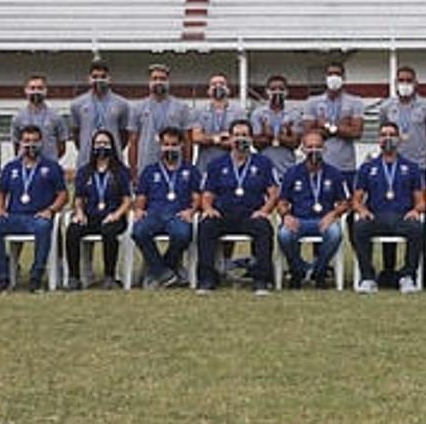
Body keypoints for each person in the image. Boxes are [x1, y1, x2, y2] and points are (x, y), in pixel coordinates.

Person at [195, 120, 279, 294]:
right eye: (237, 135)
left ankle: (261, 280)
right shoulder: (216, 164)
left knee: (263, 228)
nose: (241, 139)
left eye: (245, 135)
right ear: (230, 138)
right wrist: (208, 209)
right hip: (224, 214)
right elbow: (207, 194)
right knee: (206, 226)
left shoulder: (263, 163)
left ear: (251, 138)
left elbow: (273, 193)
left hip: (251, 214)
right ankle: (207, 279)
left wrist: (264, 211)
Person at [0, 125, 67, 292]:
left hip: (38, 217)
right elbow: (0, 192)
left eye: (34, 141)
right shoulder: (11, 167)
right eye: (26, 141)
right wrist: (0, 209)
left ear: (41, 143)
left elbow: (63, 195)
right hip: (14, 217)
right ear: (20, 143)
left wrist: (50, 210)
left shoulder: (51, 167)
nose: (30, 145)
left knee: (43, 226)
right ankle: (2, 275)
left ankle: (36, 276)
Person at [351, 121, 426, 293]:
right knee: (359, 226)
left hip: (403, 217)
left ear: (399, 139)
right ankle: (368, 278)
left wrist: (416, 211)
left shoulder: (412, 167)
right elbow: (356, 200)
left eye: (392, 135)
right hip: (376, 217)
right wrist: (362, 210)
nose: (388, 139)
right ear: (378, 140)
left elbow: (421, 201)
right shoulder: (367, 167)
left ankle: (408, 276)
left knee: (417, 228)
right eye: (384, 135)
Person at [277, 130, 351, 288]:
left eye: (318, 147)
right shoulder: (292, 173)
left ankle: (319, 271)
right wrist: (286, 216)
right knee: (284, 234)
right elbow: (282, 201)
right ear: (302, 149)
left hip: (324, 220)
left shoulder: (334, 173)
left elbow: (345, 202)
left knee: (335, 233)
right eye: (309, 147)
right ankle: (299, 270)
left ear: (324, 149)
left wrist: (334, 214)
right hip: (299, 220)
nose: (313, 151)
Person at [130, 126, 202, 289]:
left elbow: (197, 197)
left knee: (183, 234)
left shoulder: (190, 171)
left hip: (178, 214)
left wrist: (191, 210)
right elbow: (141, 197)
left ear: (181, 145)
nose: (169, 148)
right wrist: (139, 210)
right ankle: (164, 272)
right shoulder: (150, 170)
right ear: (160, 146)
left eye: (174, 145)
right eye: (166, 145)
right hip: (154, 213)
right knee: (139, 231)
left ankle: (159, 269)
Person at [64, 129, 134, 290]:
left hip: (113, 217)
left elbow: (127, 200)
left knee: (109, 231)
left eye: (105, 143)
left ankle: (109, 276)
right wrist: (80, 213)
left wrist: (116, 215)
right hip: (90, 216)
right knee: (72, 230)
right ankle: (74, 277)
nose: (101, 146)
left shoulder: (120, 171)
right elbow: (79, 198)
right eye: (98, 143)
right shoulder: (85, 171)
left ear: (112, 146)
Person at [130, 63, 194, 173]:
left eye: (162, 79)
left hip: (175, 167)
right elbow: (133, 142)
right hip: (146, 165)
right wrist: (133, 171)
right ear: (149, 82)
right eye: (155, 79)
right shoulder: (138, 108)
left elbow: (188, 141)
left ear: (168, 82)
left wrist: (187, 168)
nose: (158, 82)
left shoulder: (181, 107)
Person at [304, 61, 366, 171]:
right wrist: (343, 128)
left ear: (344, 77)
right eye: (330, 74)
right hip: (319, 163)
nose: (334, 77)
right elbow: (308, 133)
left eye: (337, 74)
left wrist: (326, 126)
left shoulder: (356, 102)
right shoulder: (312, 102)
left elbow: (356, 132)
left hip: (346, 165)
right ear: (325, 77)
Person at [68, 59, 132, 164]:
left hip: (113, 161)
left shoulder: (122, 104)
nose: (99, 80)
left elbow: (123, 136)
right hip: (86, 160)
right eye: (95, 77)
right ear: (89, 79)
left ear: (109, 78)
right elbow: (76, 134)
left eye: (103, 77)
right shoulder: (77, 104)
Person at [377, 65, 426, 164]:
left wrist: (421, 150)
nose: (404, 84)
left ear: (415, 83)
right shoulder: (386, 106)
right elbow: (382, 133)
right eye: (401, 80)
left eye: (409, 80)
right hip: (393, 162)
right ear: (396, 83)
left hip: (419, 163)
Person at [190, 71, 245, 167]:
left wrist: (208, 138)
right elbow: (196, 137)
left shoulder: (239, 112)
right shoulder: (198, 111)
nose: (218, 86)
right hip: (205, 165)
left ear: (228, 89)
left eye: (222, 84)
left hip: (232, 165)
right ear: (209, 90)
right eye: (214, 84)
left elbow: (239, 140)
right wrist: (218, 138)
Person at [11, 73, 70, 162]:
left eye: (40, 88)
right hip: (25, 167)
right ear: (26, 90)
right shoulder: (18, 118)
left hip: (49, 166)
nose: (36, 91)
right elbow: (16, 145)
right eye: (32, 88)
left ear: (45, 91)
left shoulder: (56, 117)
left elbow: (62, 147)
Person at [251, 74, 305, 170]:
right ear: (267, 92)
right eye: (273, 89)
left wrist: (270, 135)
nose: (277, 92)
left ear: (286, 92)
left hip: (287, 165)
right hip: (263, 165)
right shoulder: (258, 113)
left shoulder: (294, 113)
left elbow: (295, 143)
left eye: (281, 89)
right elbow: (256, 143)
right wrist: (285, 137)